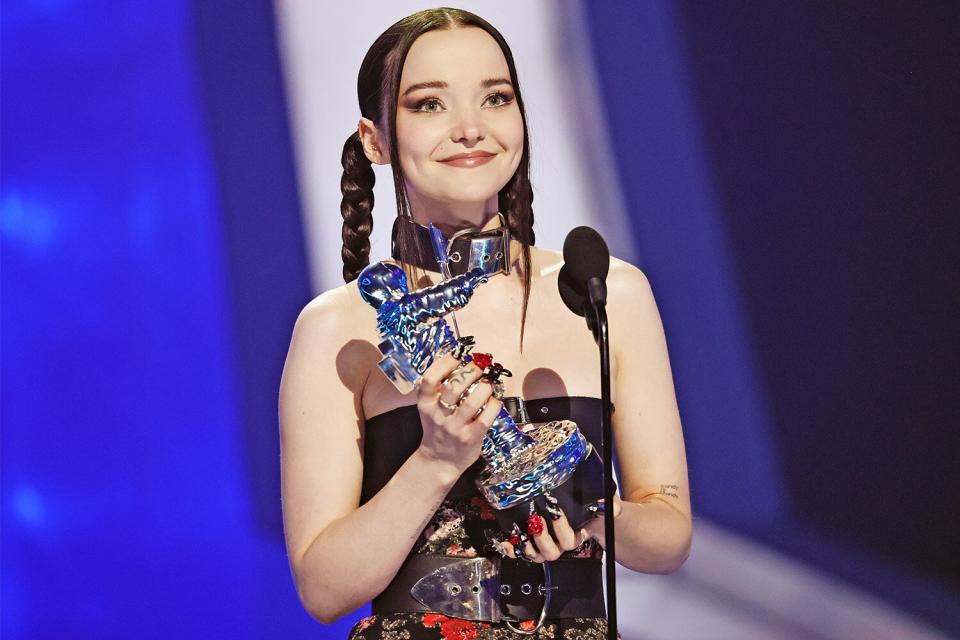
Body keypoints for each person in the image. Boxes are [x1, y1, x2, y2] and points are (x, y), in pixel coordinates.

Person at [279, 8, 692, 639]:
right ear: (375, 140)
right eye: (428, 105)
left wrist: (593, 508)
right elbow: (323, 587)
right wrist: (437, 460)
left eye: (495, 98)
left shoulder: (607, 291)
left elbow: (668, 539)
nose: (470, 129)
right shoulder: (341, 328)